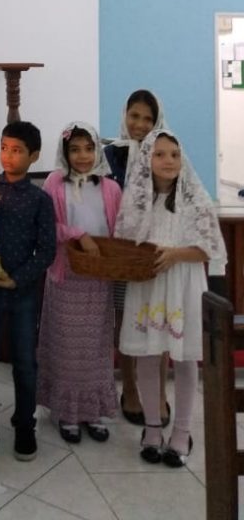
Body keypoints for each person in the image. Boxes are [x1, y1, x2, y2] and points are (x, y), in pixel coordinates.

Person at [115, 129, 226, 466]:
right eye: (160, 154)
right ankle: (152, 427)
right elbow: (124, 242)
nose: (168, 161)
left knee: (185, 358)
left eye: (174, 155)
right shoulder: (136, 200)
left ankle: (181, 431)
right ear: (147, 160)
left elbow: (208, 248)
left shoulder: (195, 199)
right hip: (148, 287)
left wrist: (176, 254)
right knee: (148, 356)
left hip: (183, 285)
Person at [0, 120, 55, 462]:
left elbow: (47, 250)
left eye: (17, 151)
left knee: (24, 363)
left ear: (34, 156)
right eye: (4, 147)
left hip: (22, 291)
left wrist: (18, 279)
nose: (8, 156)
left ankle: (24, 426)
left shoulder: (39, 199)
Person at [37, 123, 122, 444]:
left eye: (88, 148)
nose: (83, 156)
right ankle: (67, 413)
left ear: (97, 150)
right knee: (67, 347)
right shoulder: (54, 183)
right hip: (66, 275)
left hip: (98, 278)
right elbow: (48, 227)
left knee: (96, 348)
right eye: (75, 149)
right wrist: (79, 235)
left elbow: (118, 230)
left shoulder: (111, 188)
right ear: (65, 153)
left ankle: (92, 411)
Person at [103, 89, 170, 427]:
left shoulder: (165, 152)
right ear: (124, 116)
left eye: (147, 118)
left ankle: (157, 393)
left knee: (158, 321)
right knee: (125, 321)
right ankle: (129, 388)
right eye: (135, 116)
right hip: (121, 253)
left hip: (155, 253)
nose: (140, 124)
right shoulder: (109, 155)